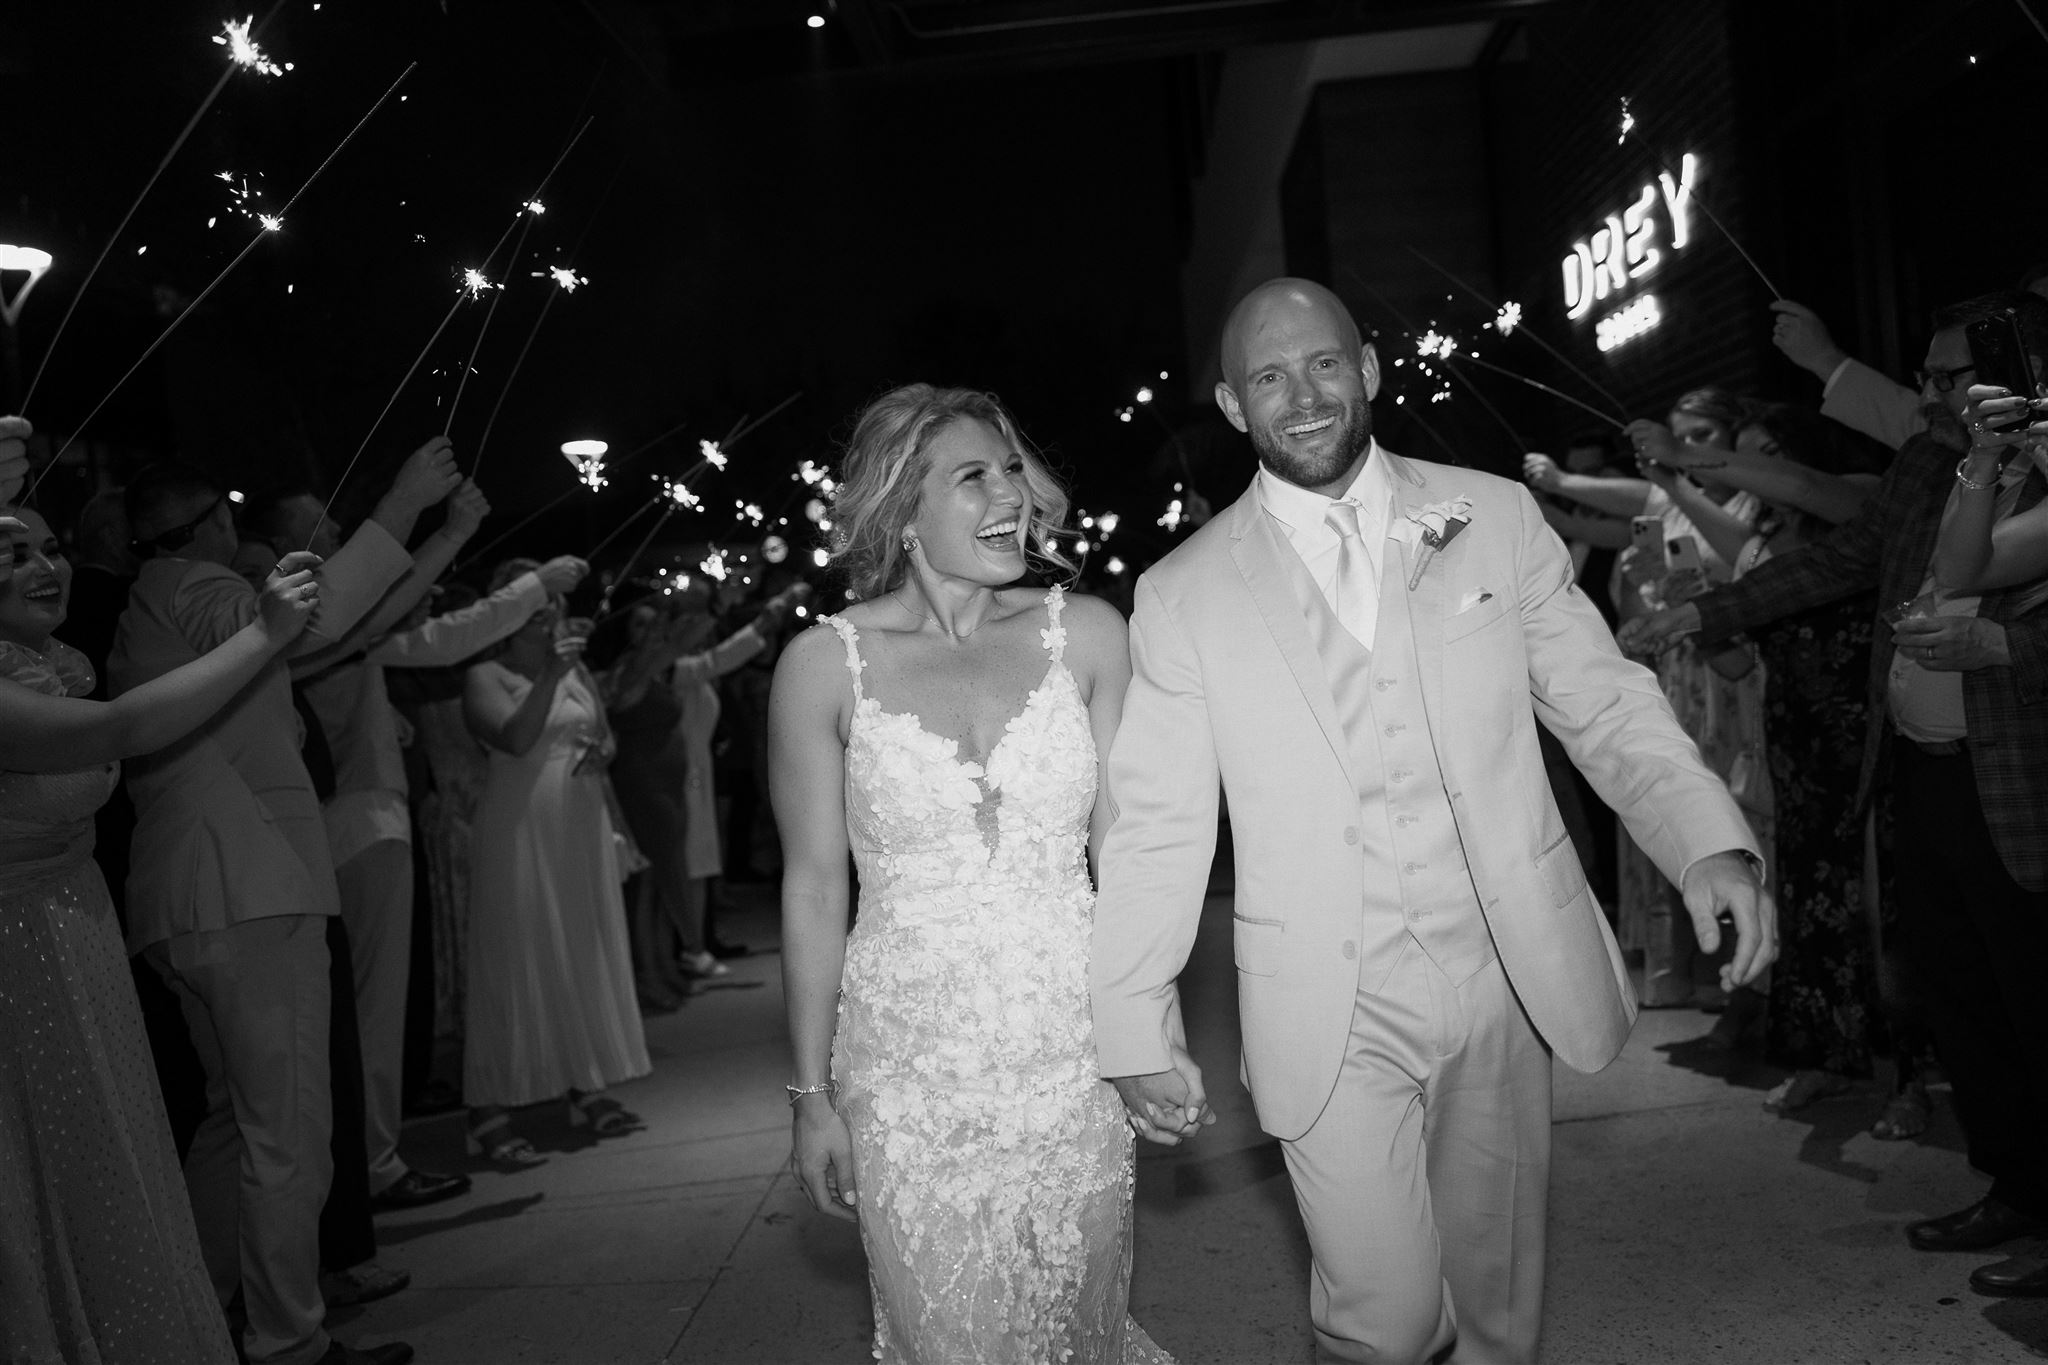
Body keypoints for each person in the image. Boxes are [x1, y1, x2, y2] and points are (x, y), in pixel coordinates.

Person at [1088, 279, 1771, 1364]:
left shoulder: (1489, 513)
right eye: (1267, 377)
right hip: (1324, 995)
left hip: (1499, 964)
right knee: (1386, 1319)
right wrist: (1129, 1018)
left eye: (1321, 364)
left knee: (1494, 1304)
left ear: (1364, 371)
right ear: (1231, 407)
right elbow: (1156, 824)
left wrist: (1704, 838)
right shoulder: (1182, 592)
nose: (1299, 395)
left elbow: (1600, 699)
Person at [1624, 289, 2048, 1302]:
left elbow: (1971, 579)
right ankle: (2017, 1190)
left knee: (2034, 1004)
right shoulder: (1929, 464)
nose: (1934, 391)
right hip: (1922, 770)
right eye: (1931, 376)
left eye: (1955, 375)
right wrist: (1706, 611)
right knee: (1962, 995)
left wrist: (2002, 641)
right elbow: (1843, 561)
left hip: (2019, 777)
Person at [772, 384, 1172, 1363]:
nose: (1011, 494)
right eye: (971, 476)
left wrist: (1148, 1025)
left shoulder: (1086, 635)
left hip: (1072, 1059)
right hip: (905, 1079)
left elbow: (1127, 852)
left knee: (1077, 1331)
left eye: (1008, 468)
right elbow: (815, 889)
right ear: (901, 509)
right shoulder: (823, 668)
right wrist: (809, 1099)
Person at [110, 440, 460, 1365]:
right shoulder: (199, 589)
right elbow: (312, 615)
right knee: (285, 1131)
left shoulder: (156, 607)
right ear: (217, 524)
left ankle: (193, 1315)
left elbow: (330, 633)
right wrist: (402, 498)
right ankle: (288, 1340)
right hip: (248, 893)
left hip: (185, 901)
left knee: (231, 1125)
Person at [0, 464, 319, 1363]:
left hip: (82, 937)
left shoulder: (56, 670)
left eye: (49, 546)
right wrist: (263, 631)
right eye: (8, 551)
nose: (40, 566)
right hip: (17, 964)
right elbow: (123, 730)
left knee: (113, 1166)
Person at [1529, 388, 1771, 1014]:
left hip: (1738, 677)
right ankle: (1699, 973)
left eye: (1698, 437)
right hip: (1678, 674)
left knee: (1742, 814)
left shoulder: (1753, 500)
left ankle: (1757, 984)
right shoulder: (1666, 502)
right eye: (1676, 435)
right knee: (1671, 803)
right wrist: (1645, 585)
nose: (1682, 448)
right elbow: (1630, 583)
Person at [460, 566, 649, 1165]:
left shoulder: (576, 669)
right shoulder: (483, 675)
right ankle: (487, 1107)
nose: (551, 621)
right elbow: (515, 739)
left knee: (579, 949)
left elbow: (605, 735)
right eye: (540, 614)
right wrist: (554, 670)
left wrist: (601, 749)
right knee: (517, 953)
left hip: (580, 826)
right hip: (520, 829)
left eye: (553, 611)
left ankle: (585, 1082)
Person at [605, 582, 804, 1007]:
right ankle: (657, 971)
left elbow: (713, 655)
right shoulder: (638, 671)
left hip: (673, 783)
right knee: (653, 884)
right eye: (640, 624)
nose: (649, 632)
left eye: (652, 624)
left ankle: (669, 964)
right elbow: (712, 656)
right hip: (647, 785)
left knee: (666, 884)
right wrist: (730, 614)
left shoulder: (663, 669)